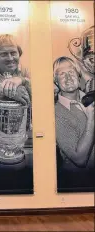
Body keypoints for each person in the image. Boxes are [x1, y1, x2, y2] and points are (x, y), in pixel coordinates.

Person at [53, 56, 94, 189]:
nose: (68, 77)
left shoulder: (90, 99)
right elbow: (79, 159)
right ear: (56, 81)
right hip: (78, 184)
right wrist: (91, 119)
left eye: (71, 72)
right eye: (62, 74)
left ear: (78, 75)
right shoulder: (56, 113)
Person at [0, 34, 31, 105]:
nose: (10, 58)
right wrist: (9, 90)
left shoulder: (26, 68)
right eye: (4, 54)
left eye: (13, 53)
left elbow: (41, 90)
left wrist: (23, 80)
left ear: (19, 54)